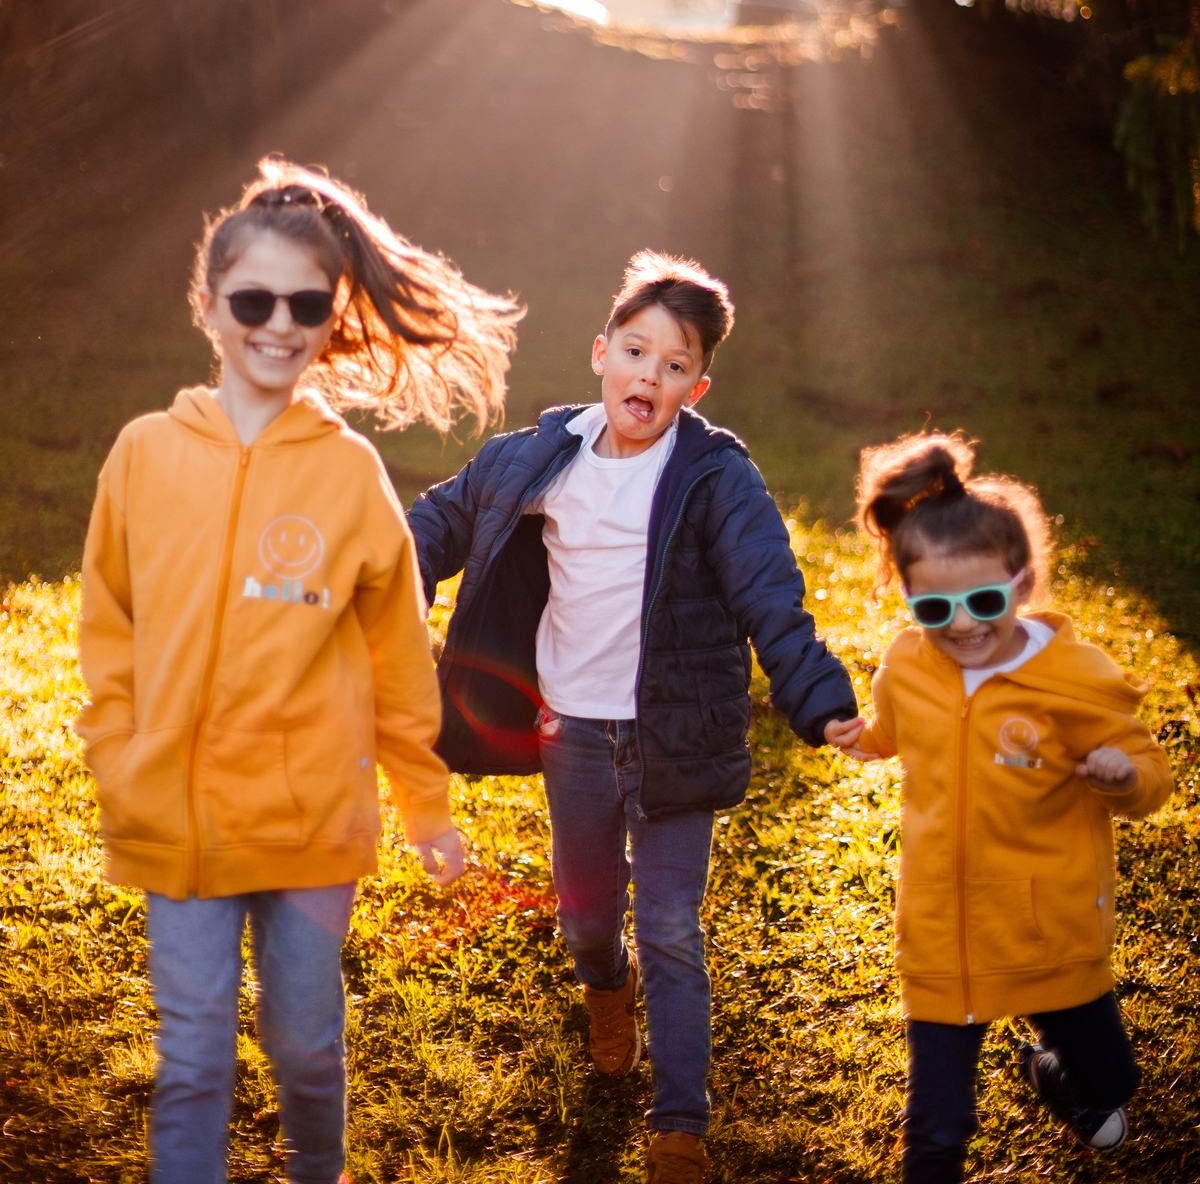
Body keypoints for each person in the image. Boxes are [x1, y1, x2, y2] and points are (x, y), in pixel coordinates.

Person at [76, 158, 522, 1184]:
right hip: (175, 819)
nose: (278, 323)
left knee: (306, 1052)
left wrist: (425, 805)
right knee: (192, 1062)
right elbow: (107, 621)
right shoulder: (143, 454)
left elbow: (401, 655)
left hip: (310, 825)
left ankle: (316, 1167)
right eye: (253, 299)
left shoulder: (347, 474)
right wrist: (116, 753)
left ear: (332, 317)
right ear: (209, 305)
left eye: (306, 304)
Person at [408, 251, 859, 1184]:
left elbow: (771, 595)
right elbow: (438, 524)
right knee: (587, 922)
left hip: (675, 738)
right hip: (570, 732)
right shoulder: (538, 458)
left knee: (670, 927)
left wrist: (818, 699)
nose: (649, 375)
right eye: (635, 351)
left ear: (698, 384)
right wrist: (380, 579)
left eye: (673, 363)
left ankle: (679, 1124)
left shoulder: (713, 480)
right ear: (601, 353)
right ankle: (604, 993)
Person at [827, 432, 1173, 1183]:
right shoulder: (907, 664)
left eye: (984, 601)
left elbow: (1151, 773)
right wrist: (866, 739)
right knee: (936, 1136)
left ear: (1022, 585)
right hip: (942, 936)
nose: (960, 624)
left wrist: (1123, 775)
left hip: (1047, 930)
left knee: (1113, 1083)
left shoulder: (1071, 677)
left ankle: (1057, 1076)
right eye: (933, 605)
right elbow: (894, 729)